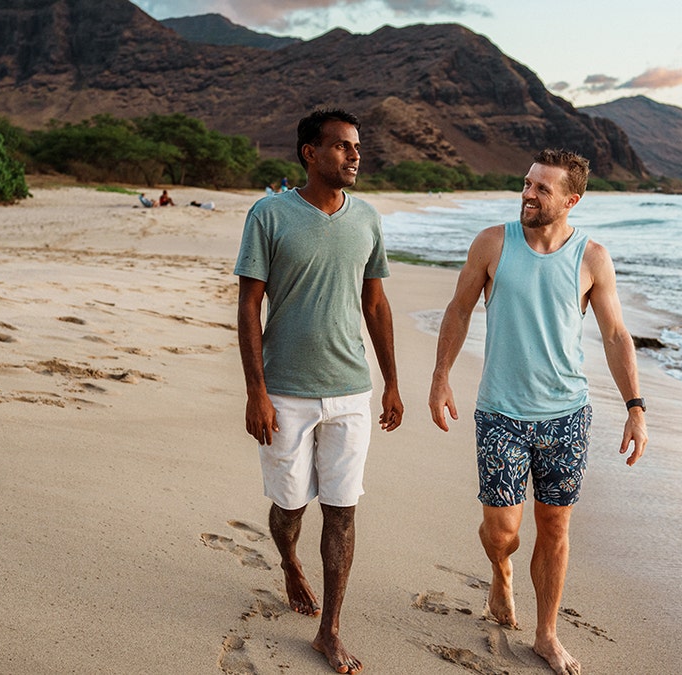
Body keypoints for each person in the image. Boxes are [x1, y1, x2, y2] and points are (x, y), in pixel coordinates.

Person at [428, 149, 648, 675]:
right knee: (503, 531)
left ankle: (547, 634)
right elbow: (459, 310)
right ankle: (500, 572)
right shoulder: (493, 243)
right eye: (527, 183)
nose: (527, 193)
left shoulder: (592, 257)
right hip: (501, 411)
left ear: (571, 200)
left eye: (541, 189)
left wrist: (636, 407)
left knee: (555, 527)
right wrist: (440, 377)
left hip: (567, 415)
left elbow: (616, 335)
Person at [235, 108, 403, 675]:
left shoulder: (368, 219)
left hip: (351, 391)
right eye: (342, 147)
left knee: (342, 510)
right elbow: (248, 305)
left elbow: (375, 304)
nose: (355, 156)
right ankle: (288, 562)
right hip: (284, 391)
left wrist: (392, 384)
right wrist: (256, 391)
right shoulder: (270, 214)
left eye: (357, 147)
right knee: (288, 507)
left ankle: (329, 631)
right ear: (310, 152)